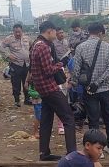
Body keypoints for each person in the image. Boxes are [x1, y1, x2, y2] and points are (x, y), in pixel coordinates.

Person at [30, 21, 76, 161]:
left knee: (46, 121)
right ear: (49, 31)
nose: (56, 35)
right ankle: (72, 155)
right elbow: (48, 70)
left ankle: (44, 153)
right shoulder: (43, 47)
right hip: (50, 88)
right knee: (68, 119)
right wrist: (61, 63)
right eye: (55, 32)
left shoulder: (35, 45)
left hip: (42, 89)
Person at [72, 22, 109, 155]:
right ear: (101, 33)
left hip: (88, 89)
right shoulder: (108, 47)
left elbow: (76, 69)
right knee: (108, 117)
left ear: (88, 32)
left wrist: (75, 82)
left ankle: (98, 150)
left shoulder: (80, 47)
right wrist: (98, 82)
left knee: (93, 119)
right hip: (105, 88)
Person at [0, 24, 32, 107]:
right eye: (16, 32)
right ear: (13, 32)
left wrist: (30, 54)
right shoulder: (9, 39)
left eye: (19, 32)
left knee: (26, 82)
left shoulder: (26, 38)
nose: (17, 34)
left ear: (22, 31)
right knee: (16, 83)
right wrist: (8, 55)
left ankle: (27, 99)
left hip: (26, 64)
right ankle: (17, 101)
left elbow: (32, 46)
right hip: (16, 65)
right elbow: (0, 47)